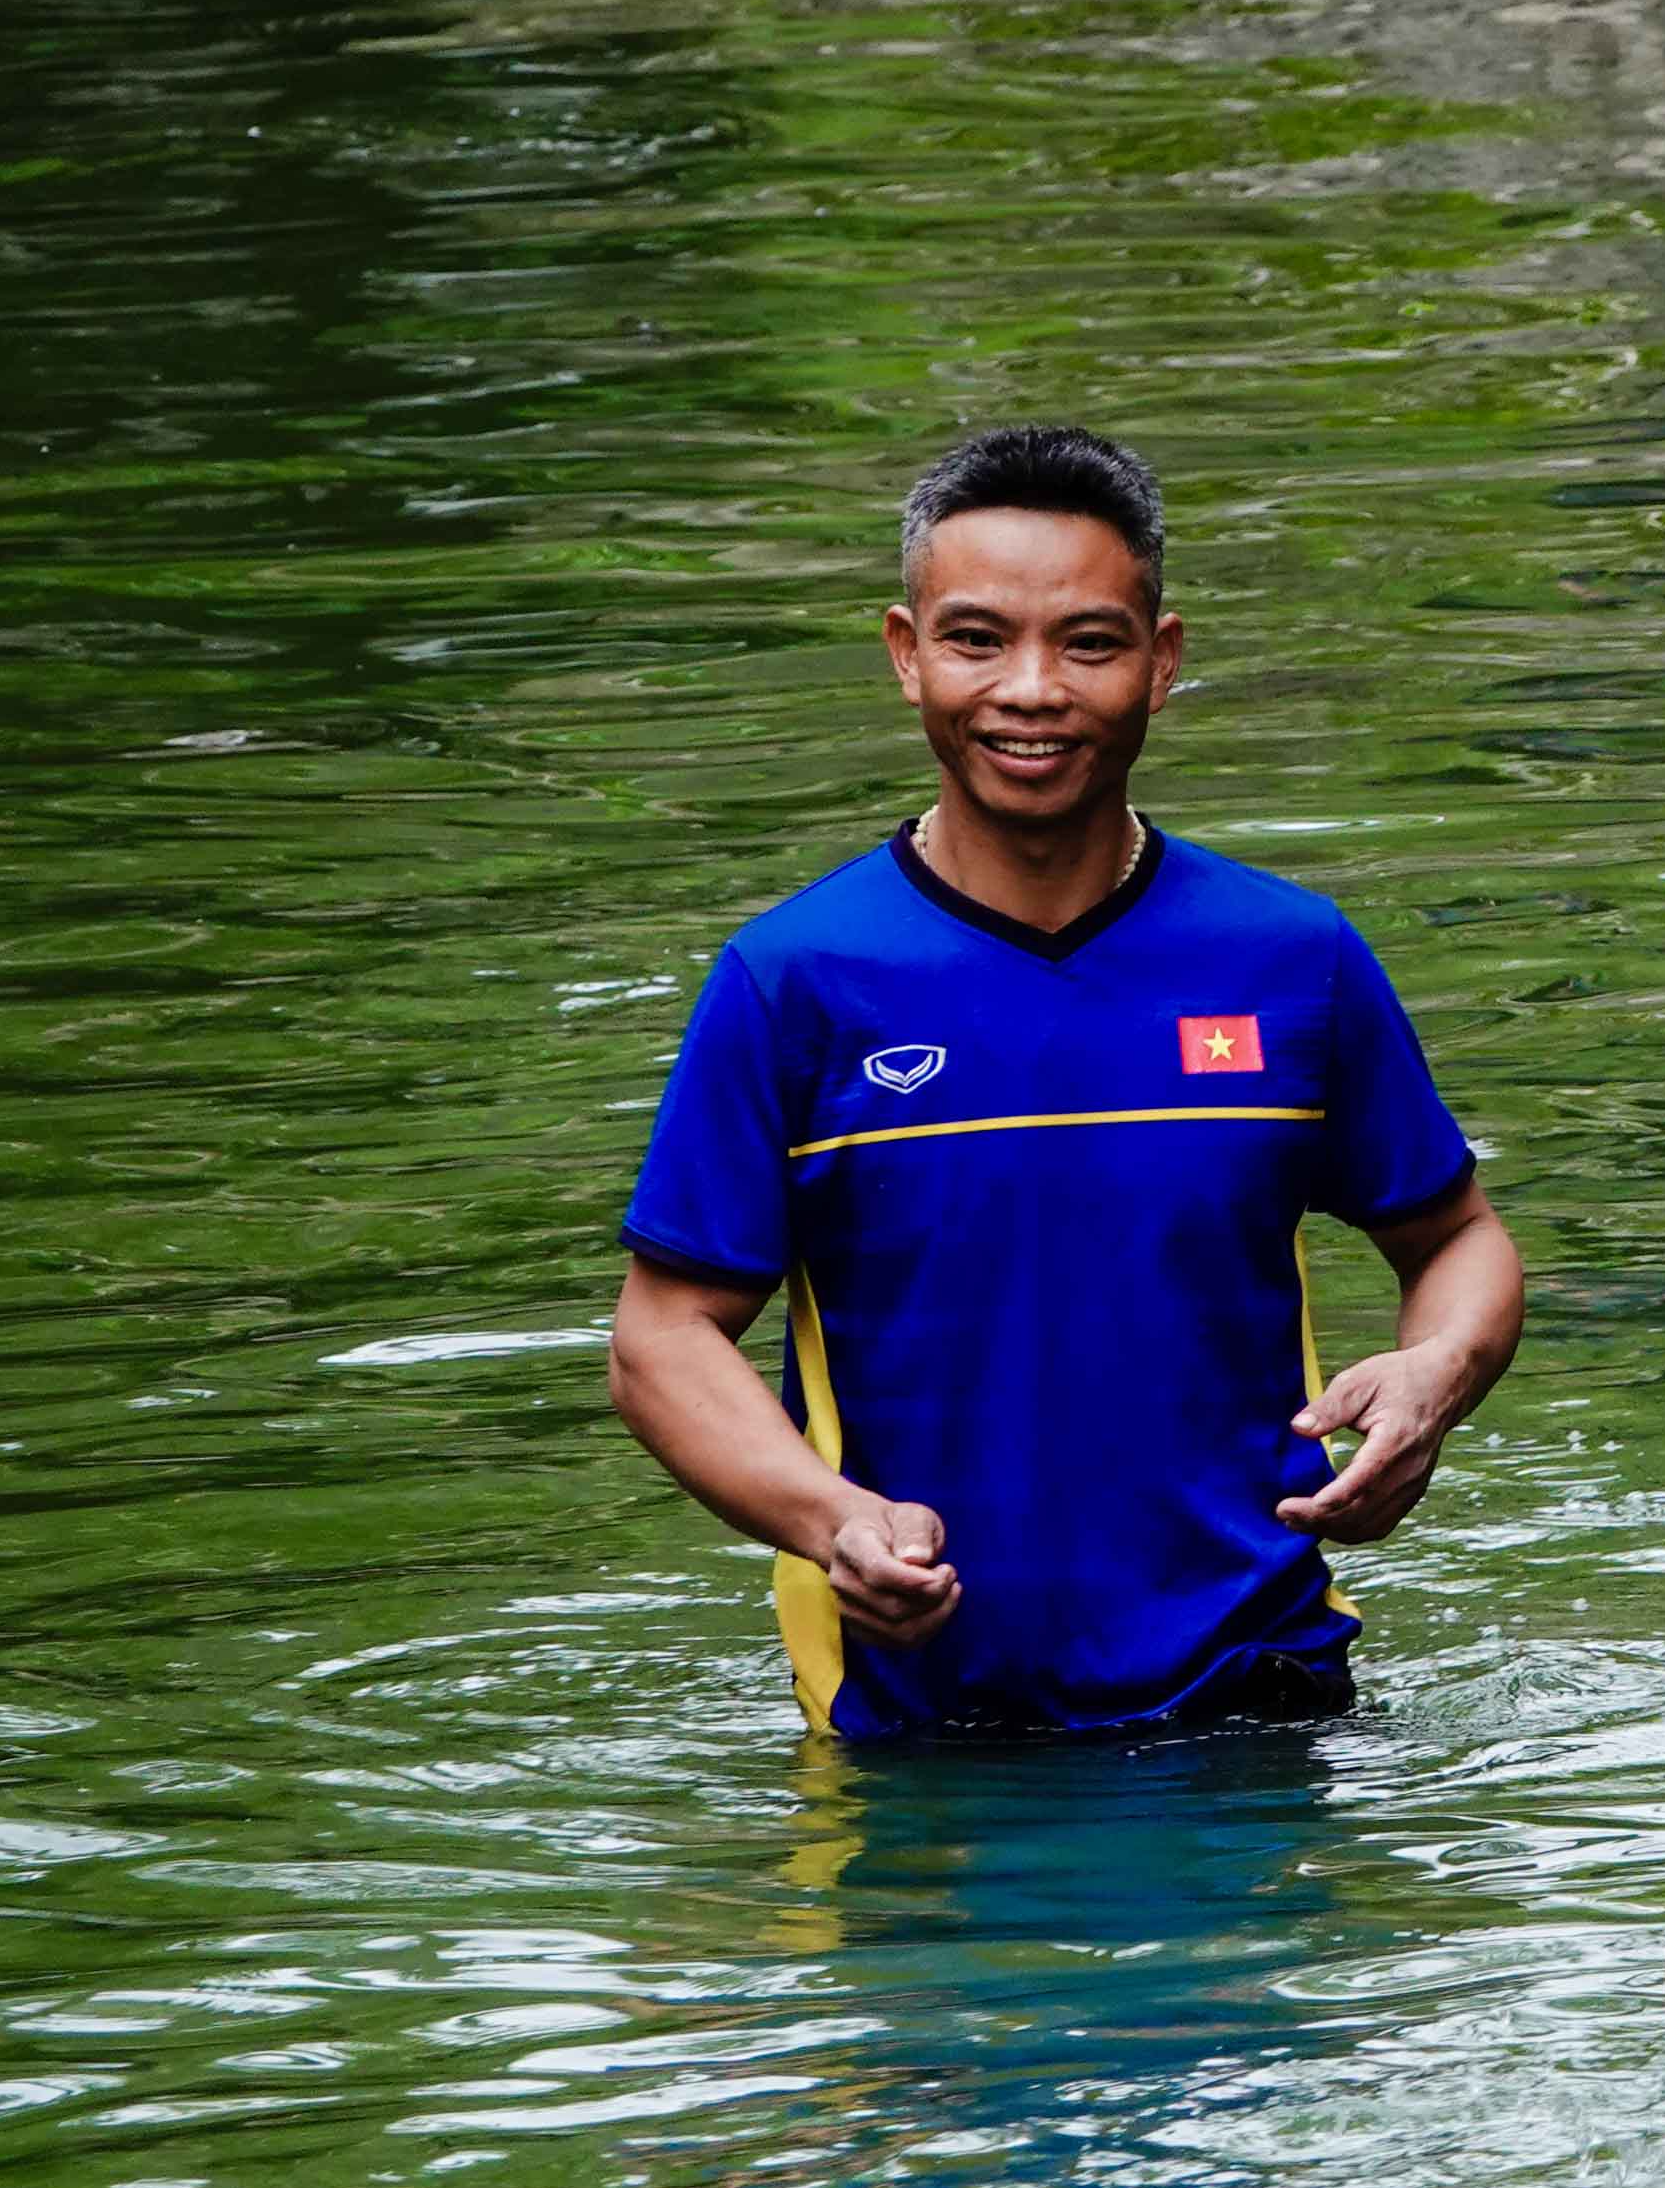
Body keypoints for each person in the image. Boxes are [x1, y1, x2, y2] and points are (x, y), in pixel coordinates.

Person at [605, 426, 1523, 1737]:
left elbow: (1458, 1237)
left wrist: (1434, 1373)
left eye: (1088, 642)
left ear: (1162, 664)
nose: (1030, 689)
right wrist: (836, 1521)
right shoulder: (794, 983)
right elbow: (660, 1340)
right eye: (977, 639)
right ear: (905, 654)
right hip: (919, 1734)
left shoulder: (1292, 960)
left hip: (1260, 1711)